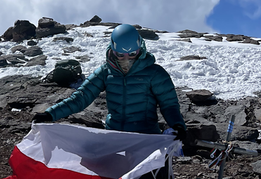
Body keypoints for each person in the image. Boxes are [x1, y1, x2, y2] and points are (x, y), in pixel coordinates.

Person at [33, 24, 187, 140]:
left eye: (132, 54)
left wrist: (178, 125)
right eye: (120, 54)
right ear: (113, 50)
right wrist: (50, 114)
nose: (127, 59)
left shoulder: (155, 73)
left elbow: (169, 105)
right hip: (114, 137)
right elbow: (81, 97)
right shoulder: (106, 72)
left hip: (146, 139)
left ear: (140, 49)